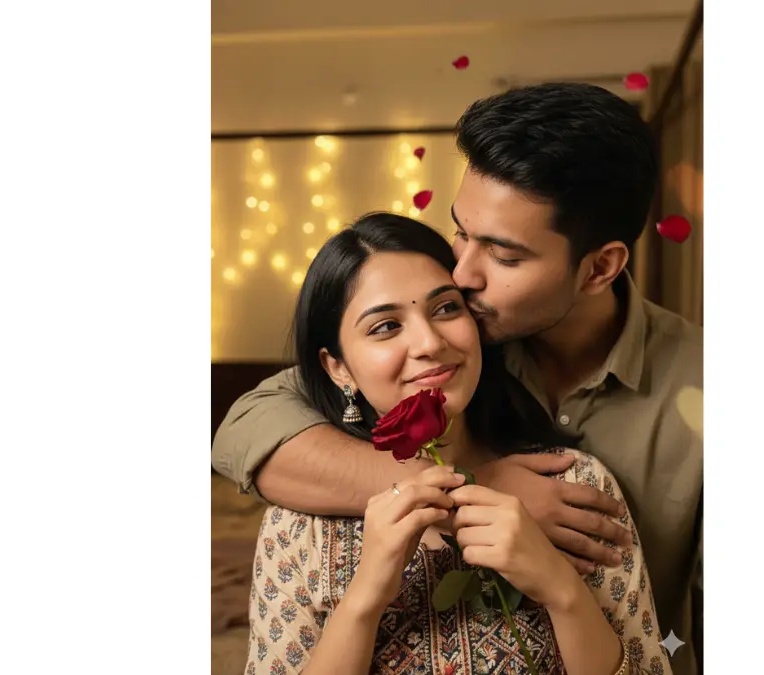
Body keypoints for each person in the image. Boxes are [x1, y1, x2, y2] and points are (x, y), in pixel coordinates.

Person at [214, 83, 703, 674]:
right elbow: (245, 429)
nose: (463, 274)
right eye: (461, 232)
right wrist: (469, 485)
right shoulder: (455, 338)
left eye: (504, 255)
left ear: (599, 267)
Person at [246, 212, 669, 674]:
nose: (429, 342)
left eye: (446, 308)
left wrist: (560, 589)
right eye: (385, 326)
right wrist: (364, 600)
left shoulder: (573, 486)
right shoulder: (296, 528)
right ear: (338, 368)